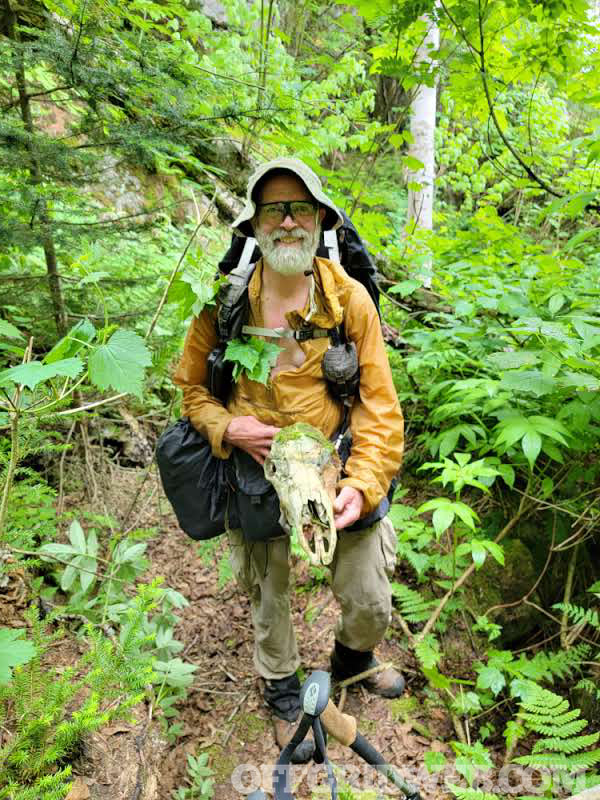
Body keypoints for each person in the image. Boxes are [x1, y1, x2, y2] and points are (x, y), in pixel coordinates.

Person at [173, 157, 405, 762]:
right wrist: (230, 427)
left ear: (321, 219)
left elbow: (380, 408)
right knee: (268, 592)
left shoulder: (348, 300)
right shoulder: (223, 303)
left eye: (300, 208)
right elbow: (192, 389)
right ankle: (281, 691)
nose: (287, 221)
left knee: (369, 596)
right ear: (252, 226)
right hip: (257, 468)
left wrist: (361, 483)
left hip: (335, 463)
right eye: (273, 209)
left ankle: (351, 663)